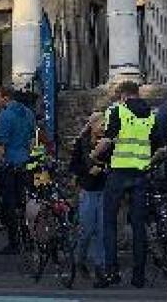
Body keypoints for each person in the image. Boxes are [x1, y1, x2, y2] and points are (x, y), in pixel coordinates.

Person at [96, 80, 160, 289]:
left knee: (110, 222)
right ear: (137, 93)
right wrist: (148, 164)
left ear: (123, 95)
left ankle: (111, 272)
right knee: (138, 226)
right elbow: (160, 148)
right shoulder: (151, 116)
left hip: (118, 173)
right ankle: (138, 276)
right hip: (140, 175)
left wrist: (93, 155)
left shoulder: (117, 111)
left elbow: (106, 141)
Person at [0, 86, 35, 255]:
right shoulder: (29, 113)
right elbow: (33, 140)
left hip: (10, 165)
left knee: (9, 205)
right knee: (24, 203)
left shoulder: (5, 115)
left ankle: (14, 242)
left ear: (5, 98)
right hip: (25, 163)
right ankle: (28, 239)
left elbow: (1, 145)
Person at [68, 112, 106, 279]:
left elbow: (112, 163)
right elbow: (74, 167)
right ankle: (80, 259)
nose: (103, 127)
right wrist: (87, 171)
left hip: (104, 190)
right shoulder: (81, 143)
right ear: (92, 125)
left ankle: (100, 266)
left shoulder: (107, 143)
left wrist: (104, 169)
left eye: (105, 124)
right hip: (88, 190)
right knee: (87, 229)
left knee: (102, 230)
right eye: (101, 124)